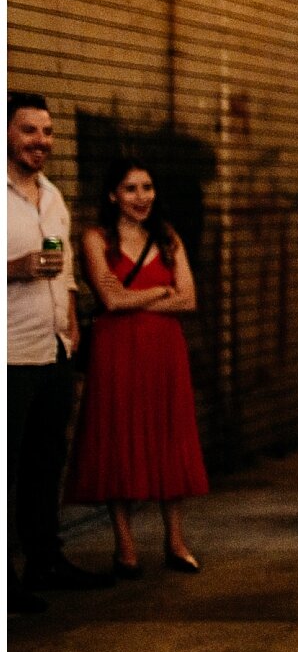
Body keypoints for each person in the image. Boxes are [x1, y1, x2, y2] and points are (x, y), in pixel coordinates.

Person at [67, 158, 209, 575]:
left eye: (147, 187)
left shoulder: (166, 237)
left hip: (165, 352)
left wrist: (140, 295)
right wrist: (162, 289)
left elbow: (189, 299)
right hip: (116, 351)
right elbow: (110, 300)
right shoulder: (96, 238)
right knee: (118, 437)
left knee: (168, 435)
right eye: (130, 189)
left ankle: (176, 540)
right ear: (113, 195)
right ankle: (125, 546)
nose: (141, 197)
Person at [7, 93, 109, 611]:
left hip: (52, 350)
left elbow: (64, 269)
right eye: (29, 131)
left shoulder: (52, 196)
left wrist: (72, 329)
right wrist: (15, 267)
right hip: (9, 355)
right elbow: (31, 266)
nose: (40, 142)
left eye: (47, 132)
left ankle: (45, 559)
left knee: (46, 463)